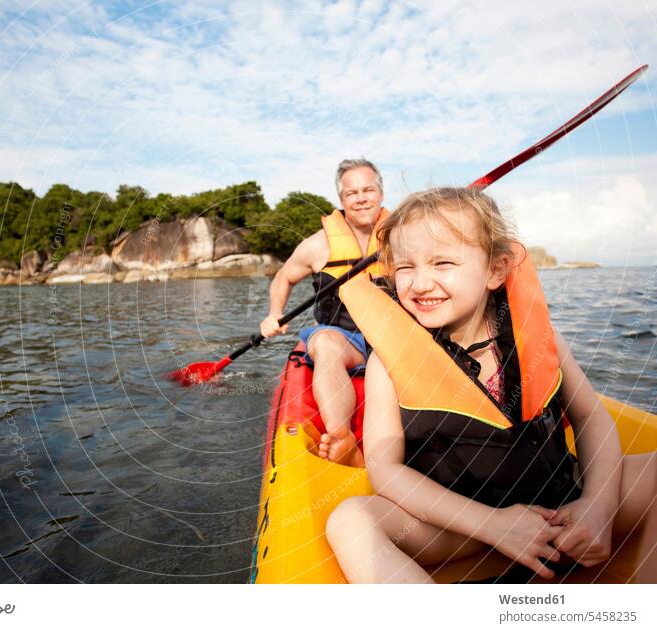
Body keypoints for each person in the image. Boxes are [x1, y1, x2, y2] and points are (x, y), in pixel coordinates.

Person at [326, 186, 657, 583]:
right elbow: (385, 468)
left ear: (495, 271)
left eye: (442, 262)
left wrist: (597, 507)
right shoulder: (388, 361)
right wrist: (494, 525)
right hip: (465, 530)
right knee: (350, 520)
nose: (419, 283)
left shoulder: (537, 337)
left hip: (559, 511)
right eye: (405, 267)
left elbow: (590, 418)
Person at [260, 158, 389, 467]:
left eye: (368, 190)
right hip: (345, 339)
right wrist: (274, 313)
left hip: (392, 337)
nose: (360, 199)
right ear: (341, 200)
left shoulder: (406, 238)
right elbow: (284, 277)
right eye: (351, 193)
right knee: (324, 343)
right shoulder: (319, 245)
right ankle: (341, 435)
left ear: (381, 194)